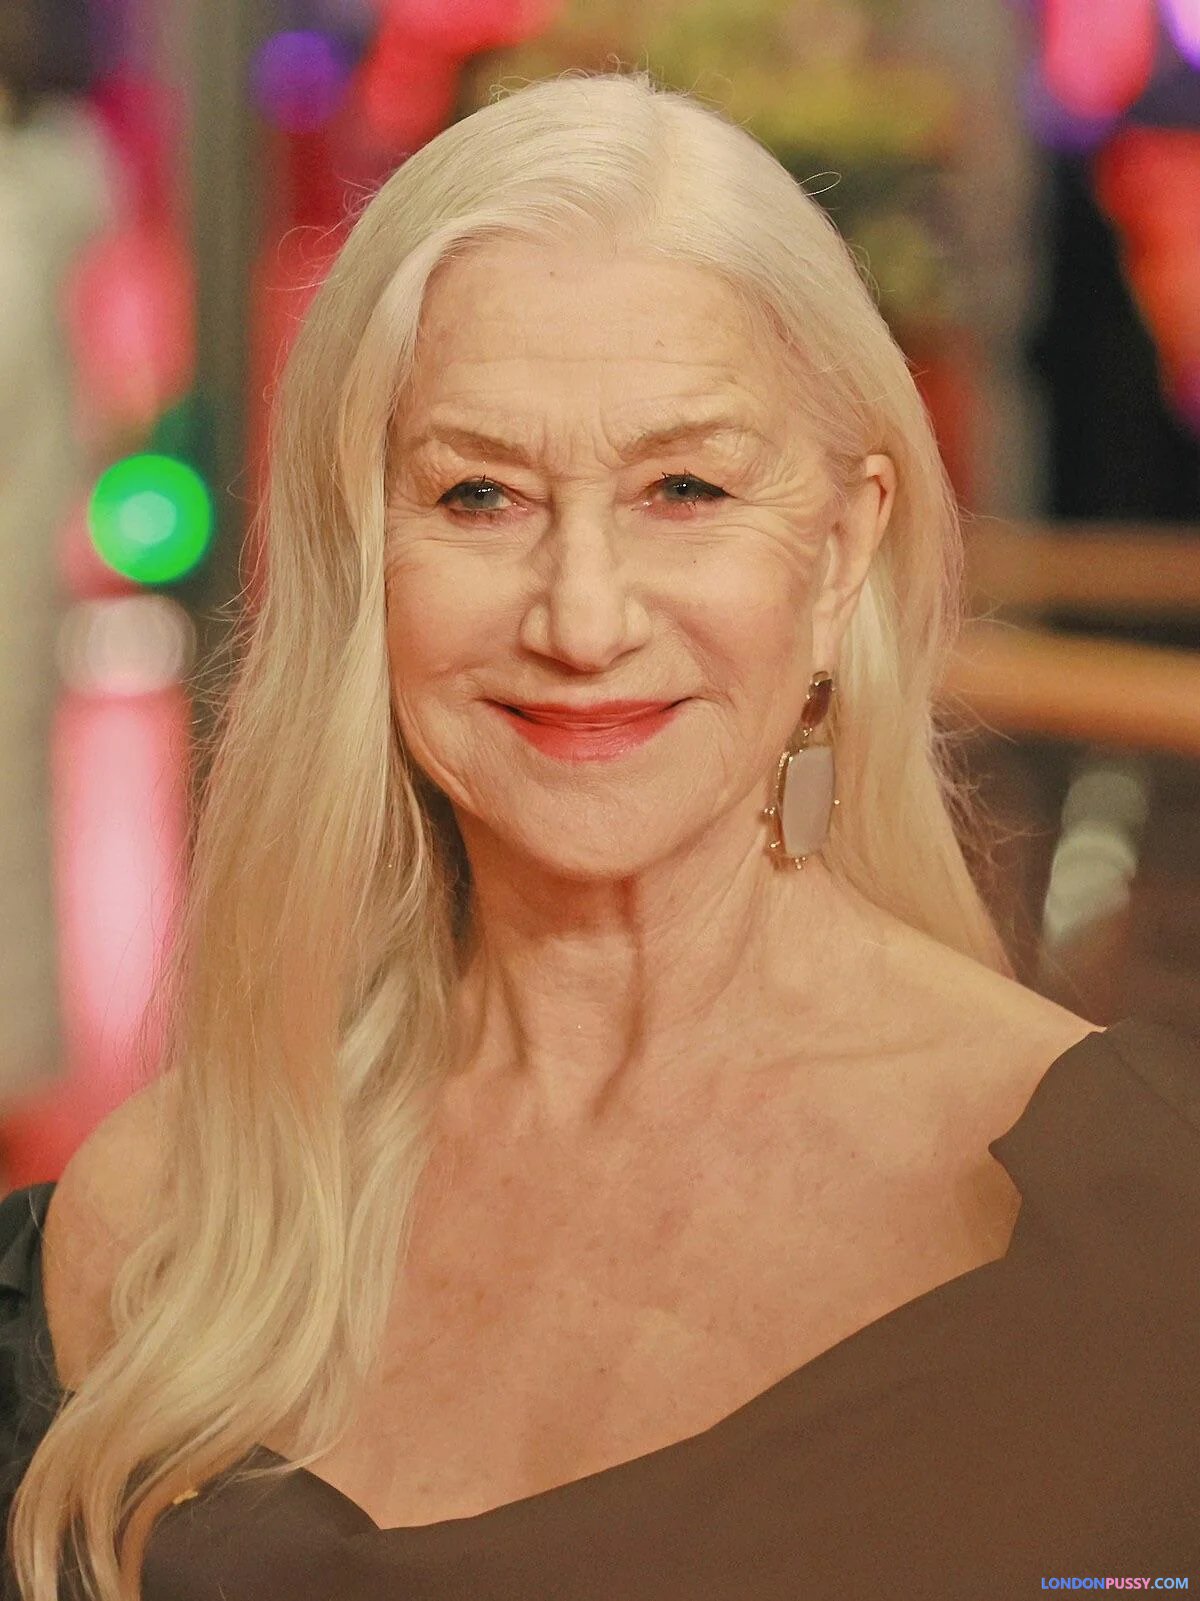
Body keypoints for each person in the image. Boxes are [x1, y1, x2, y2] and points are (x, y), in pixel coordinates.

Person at [2, 68, 1198, 1601]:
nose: (580, 618)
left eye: (684, 488)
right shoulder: (150, 1225)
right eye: (479, 495)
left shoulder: (1141, 1225)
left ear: (841, 553)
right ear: (359, 561)